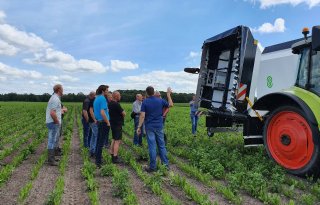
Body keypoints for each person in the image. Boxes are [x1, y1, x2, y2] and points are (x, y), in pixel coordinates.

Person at [137, 86, 173, 172]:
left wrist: (139, 127)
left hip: (150, 127)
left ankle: (152, 167)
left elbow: (142, 115)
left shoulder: (145, 102)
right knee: (161, 145)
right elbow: (171, 104)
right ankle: (166, 165)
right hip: (159, 126)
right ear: (153, 92)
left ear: (146, 93)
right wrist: (168, 94)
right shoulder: (160, 100)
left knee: (152, 146)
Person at [45, 84, 63, 166]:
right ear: (59, 89)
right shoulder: (55, 99)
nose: (63, 90)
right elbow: (52, 113)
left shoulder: (54, 98)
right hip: (53, 122)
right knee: (52, 140)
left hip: (52, 122)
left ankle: (52, 158)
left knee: (53, 140)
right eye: (62, 89)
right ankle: (51, 160)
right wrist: (57, 121)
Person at [93, 85, 111, 168]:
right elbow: (102, 112)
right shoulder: (103, 99)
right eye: (107, 90)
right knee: (101, 142)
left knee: (98, 141)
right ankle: (98, 162)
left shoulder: (96, 98)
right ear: (103, 91)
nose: (108, 92)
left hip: (99, 121)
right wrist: (107, 122)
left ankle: (97, 158)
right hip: (103, 122)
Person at [109, 91, 126, 164]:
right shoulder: (116, 104)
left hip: (112, 123)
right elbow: (124, 114)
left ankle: (112, 154)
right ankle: (115, 158)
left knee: (113, 139)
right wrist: (123, 112)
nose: (120, 96)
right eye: (119, 95)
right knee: (117, 141)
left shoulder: (109, 103)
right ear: (116, 96)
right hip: (117, 124)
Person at [88, 91, 98, 158]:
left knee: (94, 136)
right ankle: (94, 152)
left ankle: (92, 151)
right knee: (97, 136)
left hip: (94, 121)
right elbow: (91, 111)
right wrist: (95, 119)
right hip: (93, 121)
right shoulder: (94, 100)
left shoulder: (94, 99)